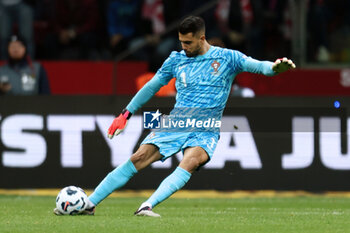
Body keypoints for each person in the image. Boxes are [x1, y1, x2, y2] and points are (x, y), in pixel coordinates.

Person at [53, 15, 295, 217]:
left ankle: (146, 206)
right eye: (181, 41)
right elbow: (151, 87)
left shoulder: (227, 58)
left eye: (188, 42)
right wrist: (125, 113)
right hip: (177, 122)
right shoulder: (176, 60)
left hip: (206, 128)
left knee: (190, 161)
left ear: (202, 38)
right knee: (139, 157)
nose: (184, 47)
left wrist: (275, 68)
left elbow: (259, 66)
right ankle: (90, 204)